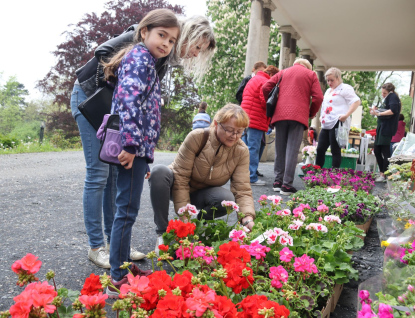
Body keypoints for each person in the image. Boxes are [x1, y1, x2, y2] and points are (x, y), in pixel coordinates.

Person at [70, 14, 216, 269]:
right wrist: (115, 90)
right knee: (98, 173)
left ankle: (116, 245)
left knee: (116, 179)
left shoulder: (160, 57)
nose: (195, 54)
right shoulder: (142, 48)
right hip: (90, 100)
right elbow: (103, 53)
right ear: (189, 35)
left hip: (117, 115)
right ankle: (96, 246)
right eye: (197, 47)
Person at [101, 9, 180, 297]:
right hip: (130, 147)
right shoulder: (139, 58)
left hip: (137, 149)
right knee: (127, 211)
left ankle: (122, 267)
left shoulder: (145, 60)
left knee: (127, 209)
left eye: (171, 41)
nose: (166, 44)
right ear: (144, 31)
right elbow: (129, 104)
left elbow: (146, 111)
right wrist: (132, 147)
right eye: (162, 35)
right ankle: (117, 276)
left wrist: (145, 154)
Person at [149, 103, 256, 253]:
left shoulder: (241, 151)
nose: (235, 136)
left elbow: (242, 188)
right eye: (230, 130)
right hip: (176, 186)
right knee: (159, 172)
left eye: (240, 132)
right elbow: (180, 178)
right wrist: (184, 216)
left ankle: (196, 228)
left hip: (202, 194)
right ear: (216, 124)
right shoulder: (197, 137)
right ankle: (162, 232)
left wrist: (247, 218)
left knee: (228, 200)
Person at [262, 58, 323, 195]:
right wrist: (311, 113)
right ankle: (287, 185)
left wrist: (273, 104)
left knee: (280, 148)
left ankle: (277, 181)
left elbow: (265, 87)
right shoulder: (310, 74)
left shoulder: (283, 72)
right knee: (292, 150)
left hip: (280, 115)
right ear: (308, 67)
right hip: (298, 116)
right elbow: (318, 97)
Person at [240, 65, 279, 185]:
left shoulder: (253, 79)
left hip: (245, 117)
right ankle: (251, 177)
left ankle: (241, 176)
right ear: (272, 75)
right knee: (253, 148)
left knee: (244, 148)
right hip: (256, 118)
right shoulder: (265, 81)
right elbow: (265, 102)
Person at [315, 67, 361, 168]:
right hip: (326, 123)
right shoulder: (328, 91)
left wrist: (346, 115)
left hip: (337, 122)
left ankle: (334, 173)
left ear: (338, 78)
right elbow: (325, 105)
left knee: (335, 149)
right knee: (320, 148)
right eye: (328, 80)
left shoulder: (345, 88)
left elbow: (356, 101)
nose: (329, 82)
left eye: (332, 80)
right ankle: (316, 171)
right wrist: (322, 116)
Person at [370, 83, 401, 182]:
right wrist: (376, 109)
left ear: (390, 91)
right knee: (377, 150)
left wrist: (378, 113)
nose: (383, 94)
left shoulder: (392, 97)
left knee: (385, 151)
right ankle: (382, 173)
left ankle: (384, 174)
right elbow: (386, 109)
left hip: (386, 128)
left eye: (384, 93)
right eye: (382, 92)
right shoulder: (389, 97)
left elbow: (392, 110)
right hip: (382, 128)